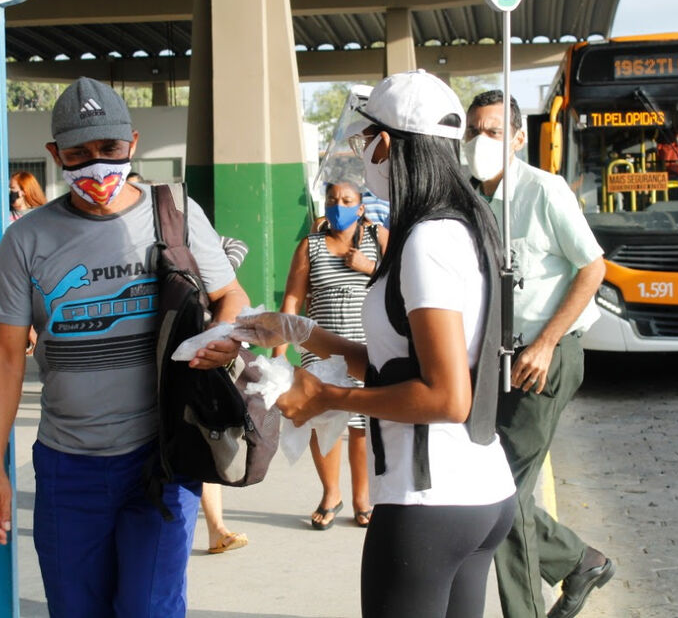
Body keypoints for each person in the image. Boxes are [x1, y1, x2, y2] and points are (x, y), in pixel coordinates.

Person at [235, 70, 516, 618]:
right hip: (482, 494)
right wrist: (299, 331)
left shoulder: (426, 241)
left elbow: (445, 396)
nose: (362, 154)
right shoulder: (467, 223)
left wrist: (327, 398)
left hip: (427, 504)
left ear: (387, 145)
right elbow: (398, 363)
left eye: (366, 141)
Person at [0, 77, 249, 618]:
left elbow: (230, 295)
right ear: (55, 155)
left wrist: (223, 339)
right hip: (66, 469)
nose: (96, 166)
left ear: (133, 143)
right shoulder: (25, 239)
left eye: (109, 149)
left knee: (151, 608)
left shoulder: (177, 214)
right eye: (78, 154)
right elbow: (4, 355)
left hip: (163, 458)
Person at [463, 90, 610, 618]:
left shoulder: (545, 191)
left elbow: (593, 268)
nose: (482, 141)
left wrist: (545, 343)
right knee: (496, 488)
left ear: (520, 138)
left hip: (544, 357)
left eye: (495, 131)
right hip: (495, 362)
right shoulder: (469, 199)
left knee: (505, 497)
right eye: (474, 131)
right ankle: (579, 561)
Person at [276, 180, 387, 529]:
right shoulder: (309, 246)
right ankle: (330, 494)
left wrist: (370, 268)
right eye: (332, 199)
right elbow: (293, 300)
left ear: (361, 208)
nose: (338, 205)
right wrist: (280, 354)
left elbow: (402, 279)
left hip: (365, 346)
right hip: (320, 348)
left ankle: (362, 498)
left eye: (347, 200)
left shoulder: (378, 239)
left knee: (361, 425)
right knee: (322, 422)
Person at [202, 233, 252, 555]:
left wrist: (215, 276)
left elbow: (238, 244)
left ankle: (216, 529)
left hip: (204, 350)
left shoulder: (187, 229)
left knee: (209, 437)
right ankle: (215, 529)